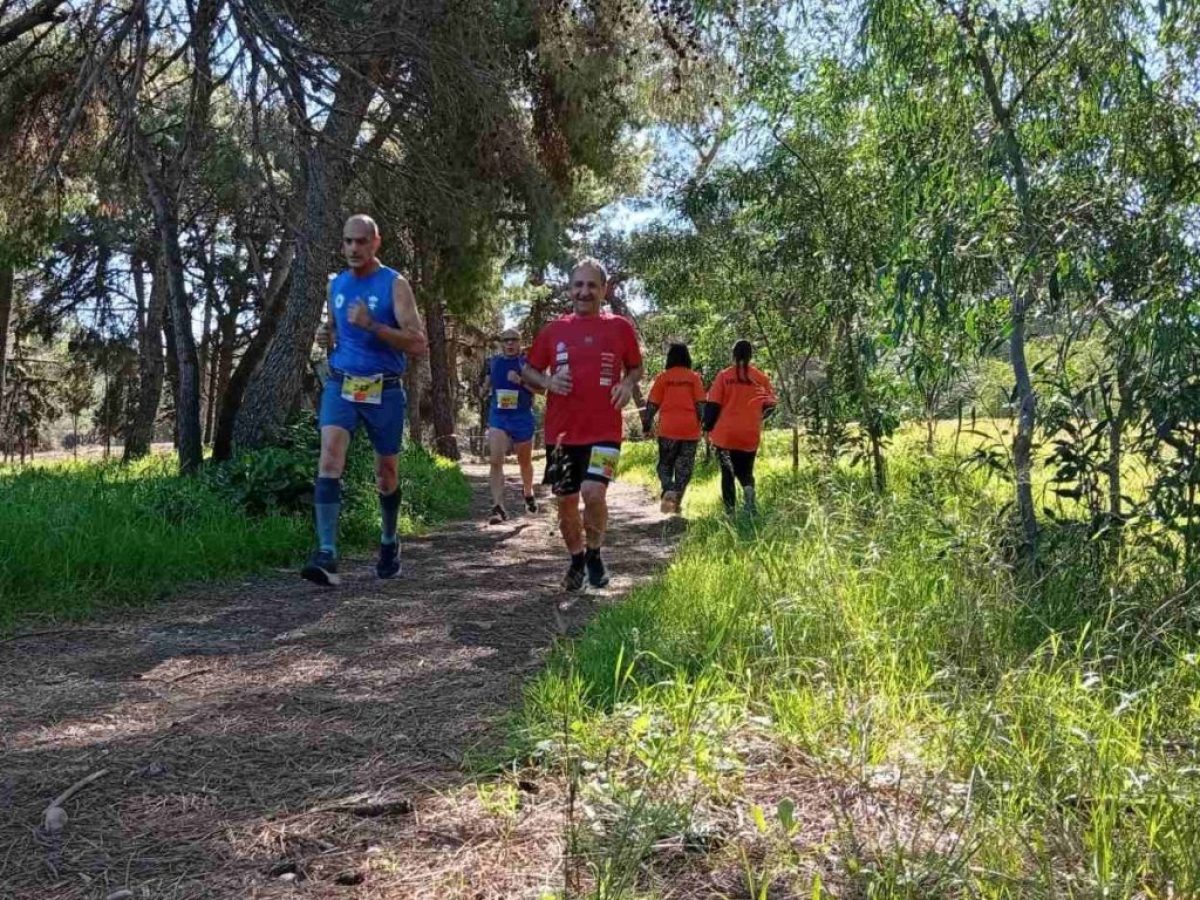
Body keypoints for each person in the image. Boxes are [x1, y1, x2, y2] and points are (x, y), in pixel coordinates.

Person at [301, 214, 428, 586]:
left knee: (386, 474)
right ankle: (327, 553)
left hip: (384, 388)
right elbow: (337, 330)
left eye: (361, 241)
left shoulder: (395, 284)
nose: (353, 248)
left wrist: (373, 325)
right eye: (347, 242)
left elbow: (418, 342)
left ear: (376, 242)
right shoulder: (336, 285)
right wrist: (327, 335)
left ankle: (389, 542)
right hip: (341, 384)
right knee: (329, 458)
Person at [522, 258, 643, 591]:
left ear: (604, 290)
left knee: (593, 492)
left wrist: (628, 384)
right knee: (566, 504)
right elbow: (529, 373)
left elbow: (635, 367)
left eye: (592, 285)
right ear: (570, 289)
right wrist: (547, 381)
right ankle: (576, 559)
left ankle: (595, 553)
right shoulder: (553, 331)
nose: (584, 292)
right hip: (561, 436)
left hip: (604, 431)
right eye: (578, 285)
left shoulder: (619, 328)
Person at [704, 339, 776, 515]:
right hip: (750, 433)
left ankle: (730, 512)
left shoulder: (724, 376)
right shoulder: (761, 378)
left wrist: (707, 427)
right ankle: (748, 488)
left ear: (733, 355)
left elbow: (713, 405)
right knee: (746, 469)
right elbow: (771, 405)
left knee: (728, 473)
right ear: (751, 356)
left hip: (726, 435)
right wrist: (757, 418)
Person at [481, 327, 540, 524]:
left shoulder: (527, 363)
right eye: (505, 340)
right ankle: (498, 507)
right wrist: (483, 390)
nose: (509, 344)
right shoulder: (493, 362)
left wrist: (521, 381)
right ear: (501, 343)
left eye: (513, 340)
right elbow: (486, 384)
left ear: (520, 342)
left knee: (524, 462)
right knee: (496, 460)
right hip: (499, 416)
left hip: (522, 417)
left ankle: (528, 492)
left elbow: (542, 390)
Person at [642, 342, 705, 514]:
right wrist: (705, 424)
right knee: (684, 469)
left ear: (669, 358)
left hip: (668, 430)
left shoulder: (663, 378)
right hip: (690, 430)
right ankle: (675, 502)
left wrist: (646, 425)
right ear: (687, 358)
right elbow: (701, 405)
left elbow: (652, 404)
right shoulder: (694, 378)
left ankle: (668, 489)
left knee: (665, 465)